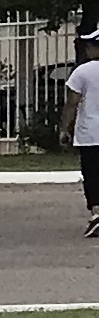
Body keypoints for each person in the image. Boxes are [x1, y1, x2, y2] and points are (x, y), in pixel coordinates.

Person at [67, 27, 99, 242]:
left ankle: (97, 213)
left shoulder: (83, 72)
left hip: (90, 134)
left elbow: (72, 102)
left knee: (93, 175)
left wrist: (64, 129)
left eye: (90, 45)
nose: (87, 49)